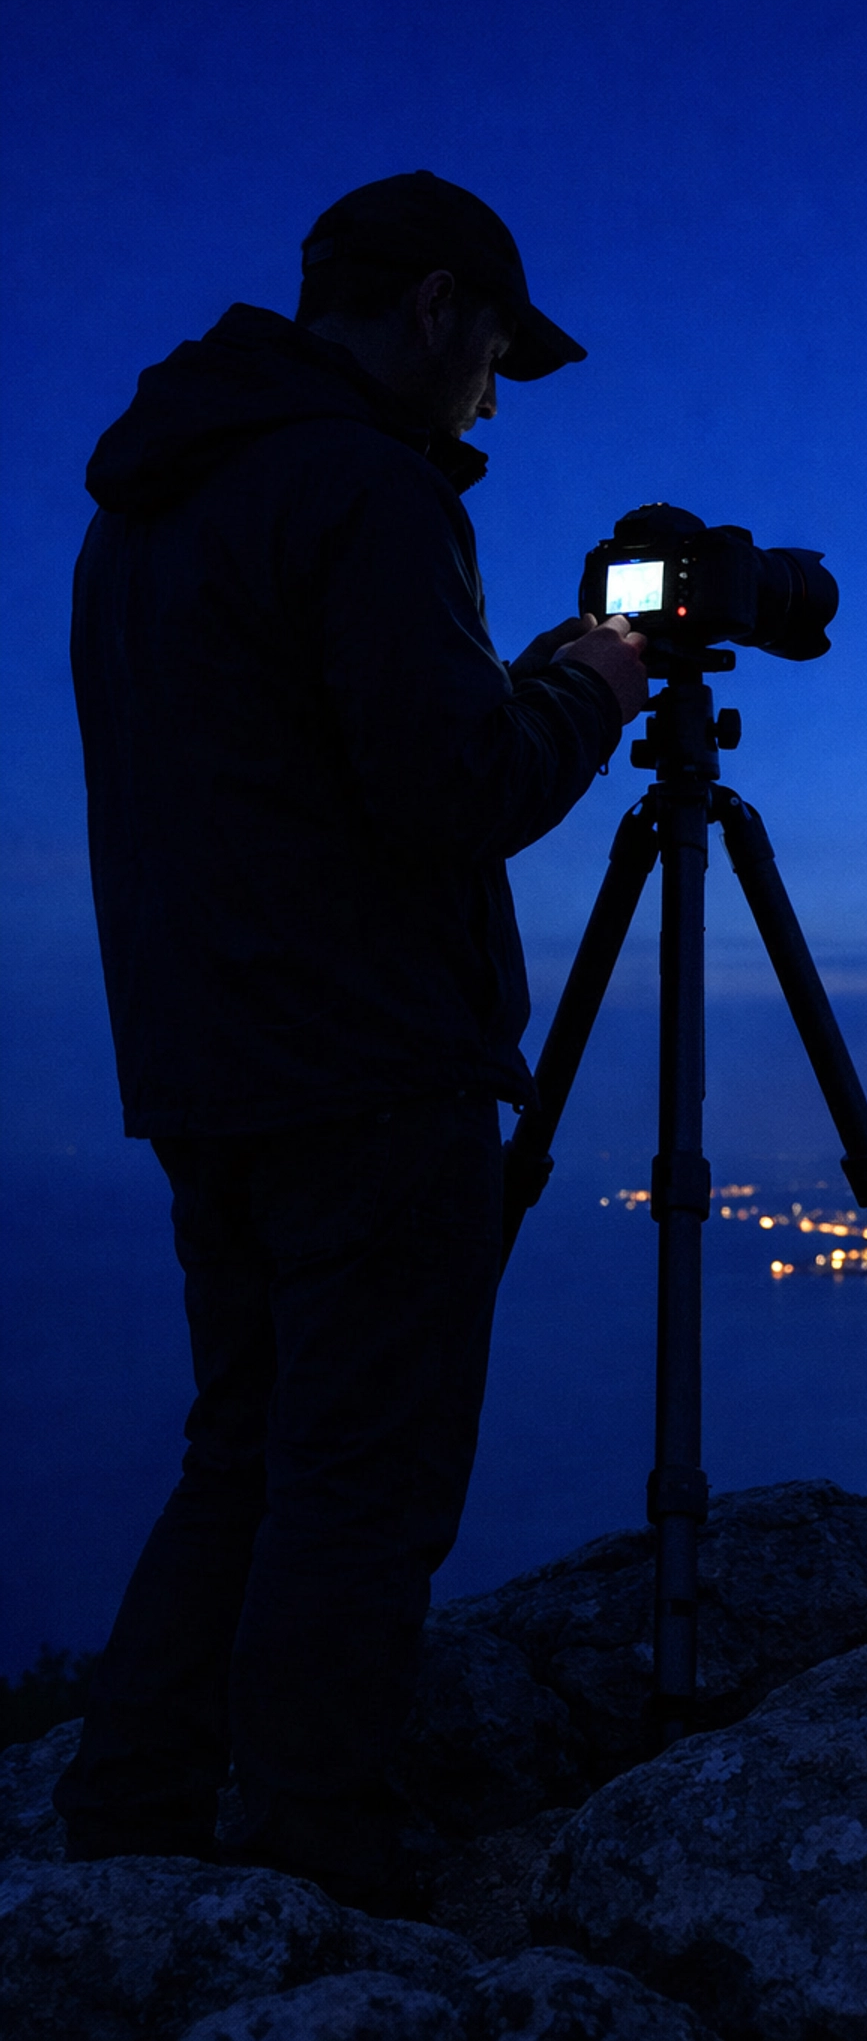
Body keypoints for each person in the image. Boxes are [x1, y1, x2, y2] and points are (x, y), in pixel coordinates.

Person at [54, 170, 648, 1914]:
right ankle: (320, 1853)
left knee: (241, 1443)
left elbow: (277, 778)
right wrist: (592, 686)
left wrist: (526, 671)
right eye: (493, 363)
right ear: (441, 308)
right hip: (369, 1065)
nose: (491, 402)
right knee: (363, 1478)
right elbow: (452, 789)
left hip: (205, 1063)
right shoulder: (363, 490)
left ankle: (134, 1816)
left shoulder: (147, 504)